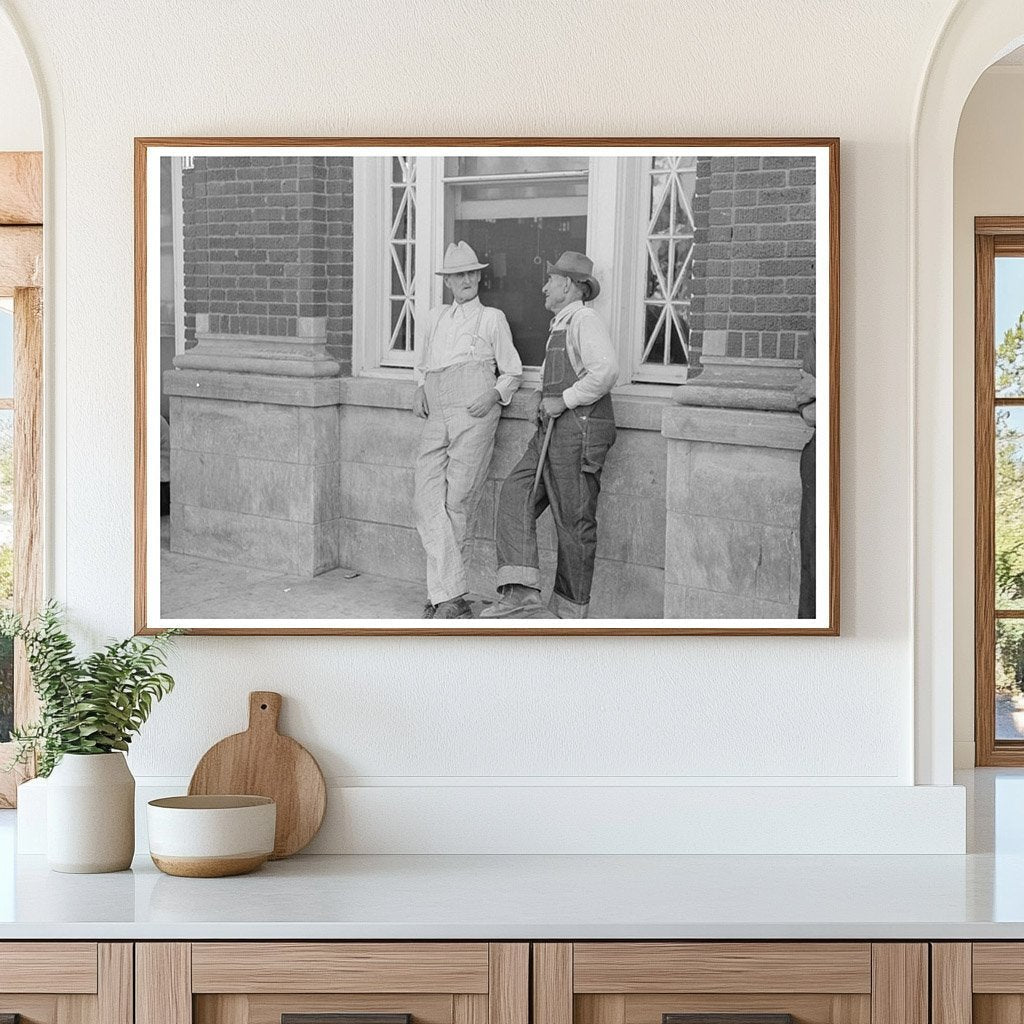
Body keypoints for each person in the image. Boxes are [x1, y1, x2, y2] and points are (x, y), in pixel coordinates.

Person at [481, 252, 617, 620]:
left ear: (569, 286)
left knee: (573, 523)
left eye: (550, 280)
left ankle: (569, 614)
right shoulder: (562, 323)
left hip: (580, 430)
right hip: (553, 430)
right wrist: (545, 399)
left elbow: (605, 371)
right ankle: (521, 592)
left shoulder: (584, 320)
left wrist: (565, 400)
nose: (544, 287)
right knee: (515, 493)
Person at [413, 241, 523, 619]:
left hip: (474, 409)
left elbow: (513, 370)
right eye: (460, 274)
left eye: (473, 272)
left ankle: (445, 598)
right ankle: (450, 591)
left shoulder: (492, 318)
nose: (468, 280)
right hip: (436, 407)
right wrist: (418, 389)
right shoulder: (434, 318)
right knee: (426, 498)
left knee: (458, 502)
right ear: (448, 281)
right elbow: (423, 363)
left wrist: (493, 395)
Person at [795, 336, 817, 619]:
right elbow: (806, 404)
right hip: (820, 455)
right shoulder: (821, 330)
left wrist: (825, 390)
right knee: (813, 570)